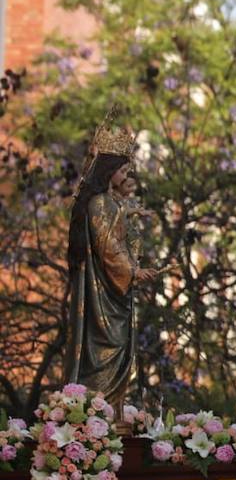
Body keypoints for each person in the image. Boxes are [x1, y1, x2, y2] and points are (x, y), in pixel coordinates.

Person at [62, 119, 161, 407]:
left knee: (114, 348)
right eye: (123, 170)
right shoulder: (100, 203)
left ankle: (106, 411)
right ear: (109, 170)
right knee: (106, 346)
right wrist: (133, 272)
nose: (126, 175)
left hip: (110, 292)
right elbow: (108, 247)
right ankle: (95, 408)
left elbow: (119, 239)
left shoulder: (107, 201)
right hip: (103, 294)